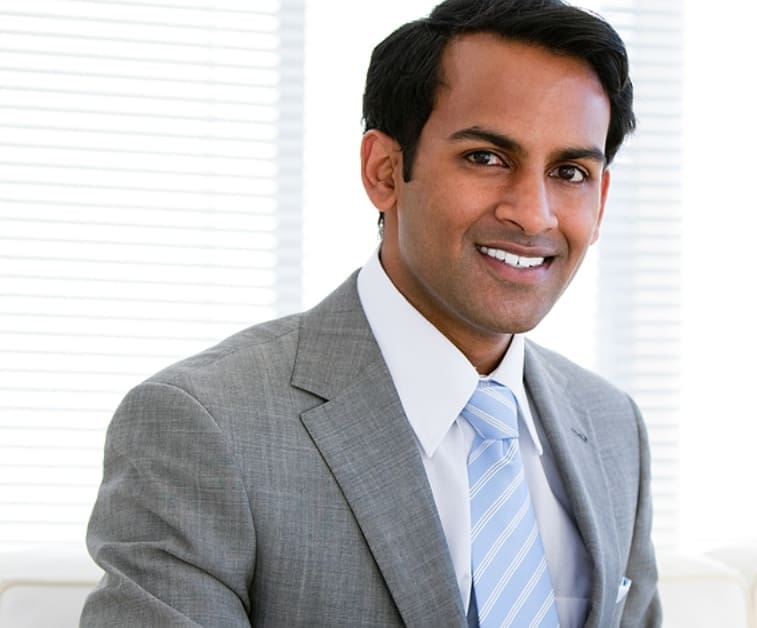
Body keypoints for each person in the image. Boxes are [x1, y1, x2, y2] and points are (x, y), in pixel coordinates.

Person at [80, 0, 660, 626]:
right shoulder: (205, 426)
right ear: (384, 171)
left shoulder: (611, 427)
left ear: (600, 200)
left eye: (569, 171)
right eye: (486, 158)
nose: (534, 213)